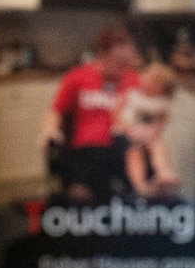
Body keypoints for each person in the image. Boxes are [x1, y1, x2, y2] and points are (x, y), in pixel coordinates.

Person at [40, 22, 141, 201]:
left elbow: (148, 113)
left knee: (133, 159)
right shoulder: (77, 77)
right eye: (118, 62)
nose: (122, 69)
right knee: (84, 176)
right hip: (87, 148)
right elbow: (56, 111)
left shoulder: (135, 80)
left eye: (126, 63)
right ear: (101, 54)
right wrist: (49, 129)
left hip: (122, 147)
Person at [119, 61, 179, 197]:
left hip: (148, 136)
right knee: (134, 154)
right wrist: (126, 128)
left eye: (156, 84)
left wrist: (152, 132)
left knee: (159, 147)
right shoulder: (132, 95)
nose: (149, 85)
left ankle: (162, 171)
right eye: (149, 79)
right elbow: (117, 113)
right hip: (130, 133)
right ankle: (140, 186)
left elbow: (159, 125)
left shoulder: (161, 104)